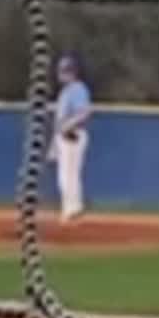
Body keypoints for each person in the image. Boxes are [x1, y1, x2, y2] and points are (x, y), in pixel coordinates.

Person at [50, 54, 92, 223]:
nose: (60, 74)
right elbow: (58, 121)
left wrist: (68, 126)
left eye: (64, 71)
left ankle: (72, 209)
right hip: (64, 136)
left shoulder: (78, 88)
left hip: (73, 135)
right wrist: (53, 144)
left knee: (68, 175)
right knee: (67, 175)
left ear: (71, 72)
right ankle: (72, 208)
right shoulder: (65, 92)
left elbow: (85, 113)